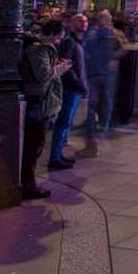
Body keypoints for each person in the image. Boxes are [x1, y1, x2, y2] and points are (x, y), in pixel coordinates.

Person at [21, 20, 69, 200]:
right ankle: (27, 184)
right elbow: (43, 76)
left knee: (36, 142)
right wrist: (61, 68)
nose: (58, 42)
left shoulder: (41, 48)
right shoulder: (38, 49)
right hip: (38, 100)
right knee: (34, 143)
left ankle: (27, 181)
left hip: (42, 99)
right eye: (58, 38)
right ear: (51, 34)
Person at [48, 14, 88, 170]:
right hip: (71, 88)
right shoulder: (70, 42)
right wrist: (78, 83)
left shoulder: (78, 41)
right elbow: (66, 64)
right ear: (72, 24)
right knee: (63, 122)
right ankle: (55, 157)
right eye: (79, 21)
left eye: (85, 21)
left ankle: (58, 155)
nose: (83, 23)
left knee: (66, 123)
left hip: (75, 88)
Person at [81, 10, 122, 155]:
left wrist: (114, 58)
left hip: (104, 74)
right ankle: (92, 138)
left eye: (110, 18)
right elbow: (84, 49)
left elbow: (125, 47)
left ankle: (101, 128)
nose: (109, 20)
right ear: (100, 19)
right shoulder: (93, 33)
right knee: (92, 106)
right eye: (106, 18)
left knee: (104, 102)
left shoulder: (113, 33)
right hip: (94, 73)